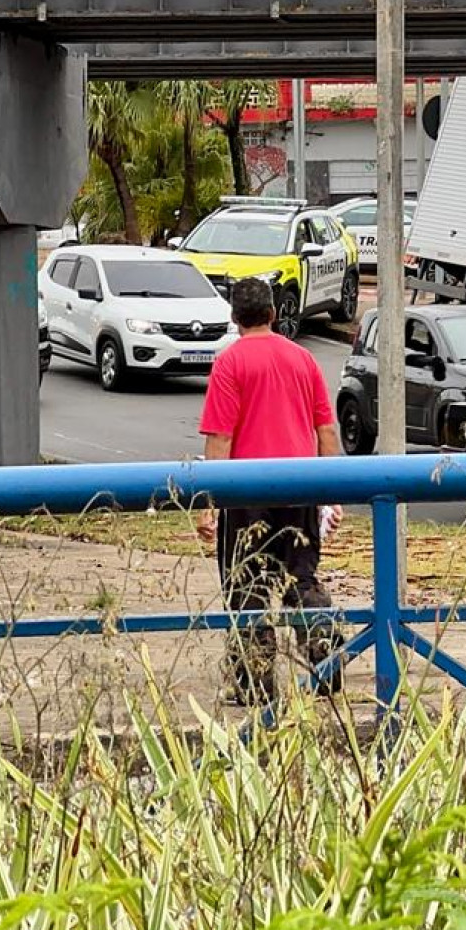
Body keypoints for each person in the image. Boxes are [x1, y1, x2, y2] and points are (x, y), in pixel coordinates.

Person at [195, 277, 343, 706]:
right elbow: (326, 430)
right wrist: (332, 492)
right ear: (273, 314)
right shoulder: (303, 359)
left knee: (248, 586)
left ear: (234, 317)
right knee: (302, 577)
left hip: (246, 493)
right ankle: (325, 664)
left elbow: (220, 440)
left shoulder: (229, 363)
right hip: (301, 487)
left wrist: (208, 503)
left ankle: (255, 683)